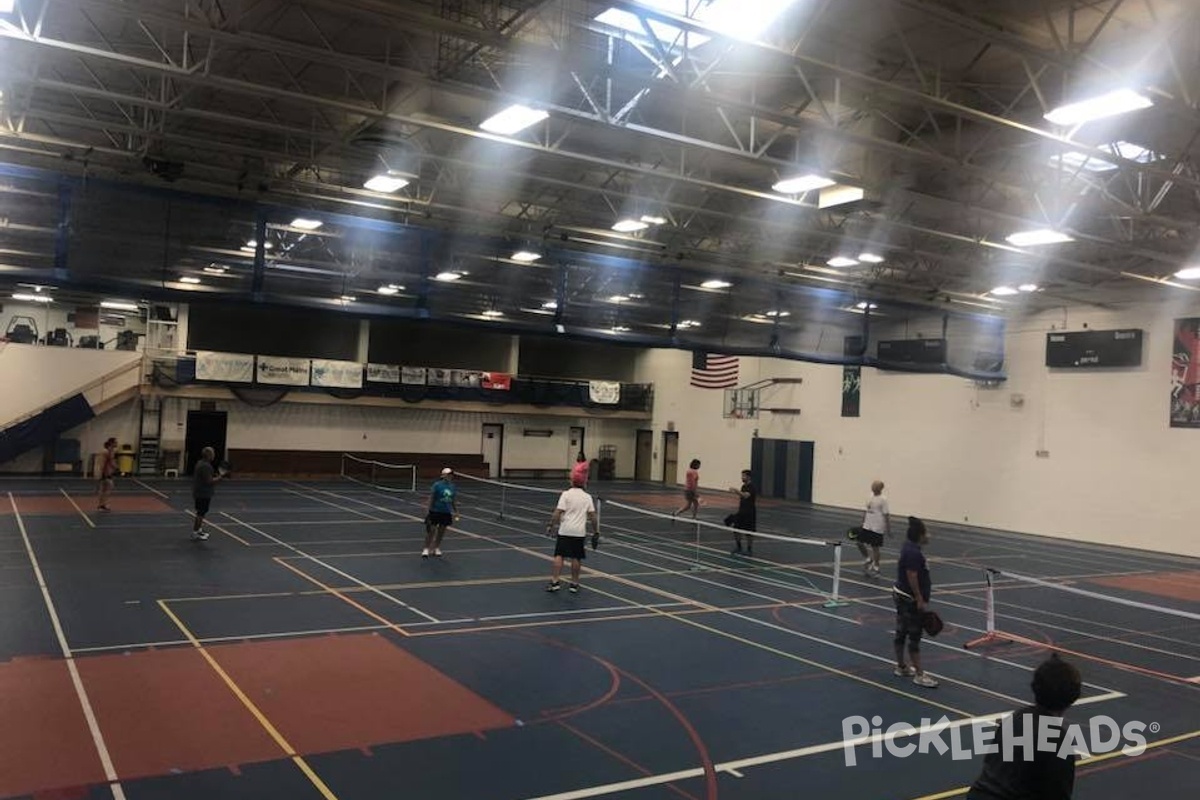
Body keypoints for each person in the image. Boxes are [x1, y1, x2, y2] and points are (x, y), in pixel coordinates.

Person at [966, 655, 1083, 799]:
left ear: (1035, 687)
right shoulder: (1057, 739)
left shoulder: (1016, 717)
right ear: (1073, 697)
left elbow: (991, 764)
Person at [893, 516, 938, 687]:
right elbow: (912, 576)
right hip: (909, 599)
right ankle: (919, 674)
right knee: (914, 635)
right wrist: (919, 598)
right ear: (920, 536)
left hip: (902, 595)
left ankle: (901, 666)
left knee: (901, 631)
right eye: (926, 532)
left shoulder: (909, 547)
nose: (929, 535)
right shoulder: (913, 553)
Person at [544, 475, 598, 594]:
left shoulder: (566, 494)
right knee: (576, 557)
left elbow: (558, 512)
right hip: (579, 532)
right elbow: (593, 516)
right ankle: (574, 584)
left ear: (572, 482)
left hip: (565, 530)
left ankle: (555, 582)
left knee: (559, 555)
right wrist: (596, 531)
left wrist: (550, 525)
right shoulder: (587, 497)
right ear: (584, 483)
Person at [855, 480, 889, 576]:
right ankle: (868, 558)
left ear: (880, 488)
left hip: (877, 526)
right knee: (859, 542)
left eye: (875, 486)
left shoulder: (883, 499)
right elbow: (866, 510)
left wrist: (888, 528)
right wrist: (863, 521)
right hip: (867, 525)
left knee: (875, 547)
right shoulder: (870, 496)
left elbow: (886, 514)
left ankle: (876, 567)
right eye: (872, 486)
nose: (873, 488)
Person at [423, 467, 458, 558]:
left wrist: (456, 511)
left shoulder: (452, 486)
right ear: (443, 476)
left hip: (446, 512)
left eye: (451, 475)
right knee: (432, 531)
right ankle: (426, 548)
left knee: (441, 531)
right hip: (435, 511)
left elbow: (453, 500)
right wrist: (428, 510)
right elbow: (432, 498)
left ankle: (436, 547)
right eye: (448, 475)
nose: (450, 476)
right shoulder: (437, 485)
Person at [191, 446, 222, 541]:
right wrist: (219, 478)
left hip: (200, 492)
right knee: (201, 513)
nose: (214, 455)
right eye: (212, 453)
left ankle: (199, 530)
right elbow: (209, 481)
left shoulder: (200, 463)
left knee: (201, 512)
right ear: (208, 455)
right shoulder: (206, 466)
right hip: (203, 493)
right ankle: (195, 532)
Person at [725, 468, 757, 556]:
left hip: (750, 512)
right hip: (742, 511)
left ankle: (749, 549)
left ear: (749, 477)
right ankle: (739, 547)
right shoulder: (743, 486)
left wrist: (736, 491)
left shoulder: (752, 487)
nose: (742, 477)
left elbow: (746, 495)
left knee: (749, 531)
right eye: (742, 476)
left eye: (744, 476)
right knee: (736, 529)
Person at [97, 437, 117, 511]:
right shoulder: (106, 452)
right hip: (105, 473)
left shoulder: (110, 451)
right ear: (111, 443)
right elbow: (103, 463)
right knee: (107, 489)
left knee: (105, 489)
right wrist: (102, 473)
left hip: (108, 473)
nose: (117, 443)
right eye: (115, 442)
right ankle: (102, 505)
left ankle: (102, 505)